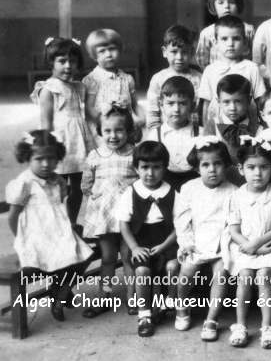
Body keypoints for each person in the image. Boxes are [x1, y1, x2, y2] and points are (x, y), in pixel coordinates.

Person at [6, 130, 93, 321]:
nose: (46, 164)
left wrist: (68, 226)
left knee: (85, 253)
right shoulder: (25, 183)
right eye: (39, 159)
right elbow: (13, 216)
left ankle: (60, 292)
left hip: (56, 233)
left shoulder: (58, 180)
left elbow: (59, 210)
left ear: (58, 158)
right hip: (34, 238)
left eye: (51, 158)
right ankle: (61, 293)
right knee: (67, 255)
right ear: (28, 158)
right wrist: (22, 239)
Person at [223, 137, 271, 349]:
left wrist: (258, 244)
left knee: (263, 276)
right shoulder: (236, 196)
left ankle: (267, 328)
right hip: (244, 247)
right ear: (241, 169)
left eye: (263, 167)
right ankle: (240, 325)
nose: (257, 173)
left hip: (269, 246)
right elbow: (233, 230)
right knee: (245, 277)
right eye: (251, 167)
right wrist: (251, 247)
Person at [77, 106, 138, 318]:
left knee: (129, 257)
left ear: (128, 131)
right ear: (101, 131)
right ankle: (105, 297)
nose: (113, 135)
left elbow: (142, 182)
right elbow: (86, 185)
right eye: (108, 131)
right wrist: (100, 196)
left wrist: (127, 190)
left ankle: (134, 299)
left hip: (127, 217)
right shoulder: (95, 155)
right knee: (108, 258)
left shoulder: (134, 154)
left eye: (119, 130)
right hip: (104, 218)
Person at [173, 137, 236, 341]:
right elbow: (183, 220)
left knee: (222, 274)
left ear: (225, 165)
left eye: (217, 163)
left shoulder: (233, 191)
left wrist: (226, 248)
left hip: (222, 244)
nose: (212, 169)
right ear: (197, 168)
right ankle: (182, 304)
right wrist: (186, 243)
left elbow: (232, 225)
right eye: (205, 164)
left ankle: (211, 319)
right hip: (196, 242)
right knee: (186, 273)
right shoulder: (189, 188)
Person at [116, 141, 179, 337]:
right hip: (141, 242)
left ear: (165, 168)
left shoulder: (172, 193)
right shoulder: (131, 192)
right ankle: (144, 315)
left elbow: (179, 226)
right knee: (142, 270)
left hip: (167, 240)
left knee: (172, 267)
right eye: (144, 167)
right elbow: (123, 224)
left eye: (156, 167)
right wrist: (134, 247)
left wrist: (165, 245)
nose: (150, 173)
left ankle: (169, 302)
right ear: (136, 168)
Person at [31, 37, 96, 223]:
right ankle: (57, 224)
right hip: (60, 144)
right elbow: (46, 125)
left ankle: (72, 222)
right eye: (62, 61)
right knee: (58, 187)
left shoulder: (78, 87)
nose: (68, 66)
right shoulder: (48, 89)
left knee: (78, 187)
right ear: (51, 62)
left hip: (79, 142)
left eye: (72, 61)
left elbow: (87, 113)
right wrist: (49, 150)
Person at [197, 15, 266, 126]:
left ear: (244, 42)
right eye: (224, 39)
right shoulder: (210, 70)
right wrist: (206, 131)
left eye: (236, 38)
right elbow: (206, 103)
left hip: (247, 126)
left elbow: (260, 101)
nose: (230, 44)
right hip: (217, 127)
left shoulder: (251, 68)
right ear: (215, 42)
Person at [82, 28, 143, 140]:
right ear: (94, 55)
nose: (109, 54)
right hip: (103, 131)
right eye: (102, 51)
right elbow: (89, 108)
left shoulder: (127, 78)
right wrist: (104, 123)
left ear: (120, 50)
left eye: (112, 49)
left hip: (125, 129)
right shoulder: (92, 79)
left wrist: (140, 118)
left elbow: (134, 104)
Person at [146, 77, 202, 189]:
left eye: (182, 103)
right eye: (170, 103)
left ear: (193, 105)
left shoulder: (201, 133)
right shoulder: (155, 135)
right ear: (161, 105)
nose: (176, 109)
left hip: (194, 185)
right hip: (165, 186)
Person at [203, 74, 259, 185]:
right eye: (226, 102)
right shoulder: (213, 125)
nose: (232, 108)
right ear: (218, 101)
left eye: (238, 101)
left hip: (250, 181)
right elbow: (206, 156)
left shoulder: (257, 126)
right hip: (221, 181)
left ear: (248, 100)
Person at [146, 25, 202, 129]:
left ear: (192, 52)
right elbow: (152, 110)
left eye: (184, 52)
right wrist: (156, 134)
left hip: (192, 133)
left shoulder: (199, 78)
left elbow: (201, 110)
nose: (179, 57)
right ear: (164, 52)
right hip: (165, 133)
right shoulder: (158, 79)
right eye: (174, 52)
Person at [195, 0, 256, 70]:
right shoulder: (207, 33)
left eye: (231, 2)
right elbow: (202, 60)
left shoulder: (248, 30)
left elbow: (254, 57)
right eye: (221, 2)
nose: (226, 6)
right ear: (213, 5)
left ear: (238, 4)